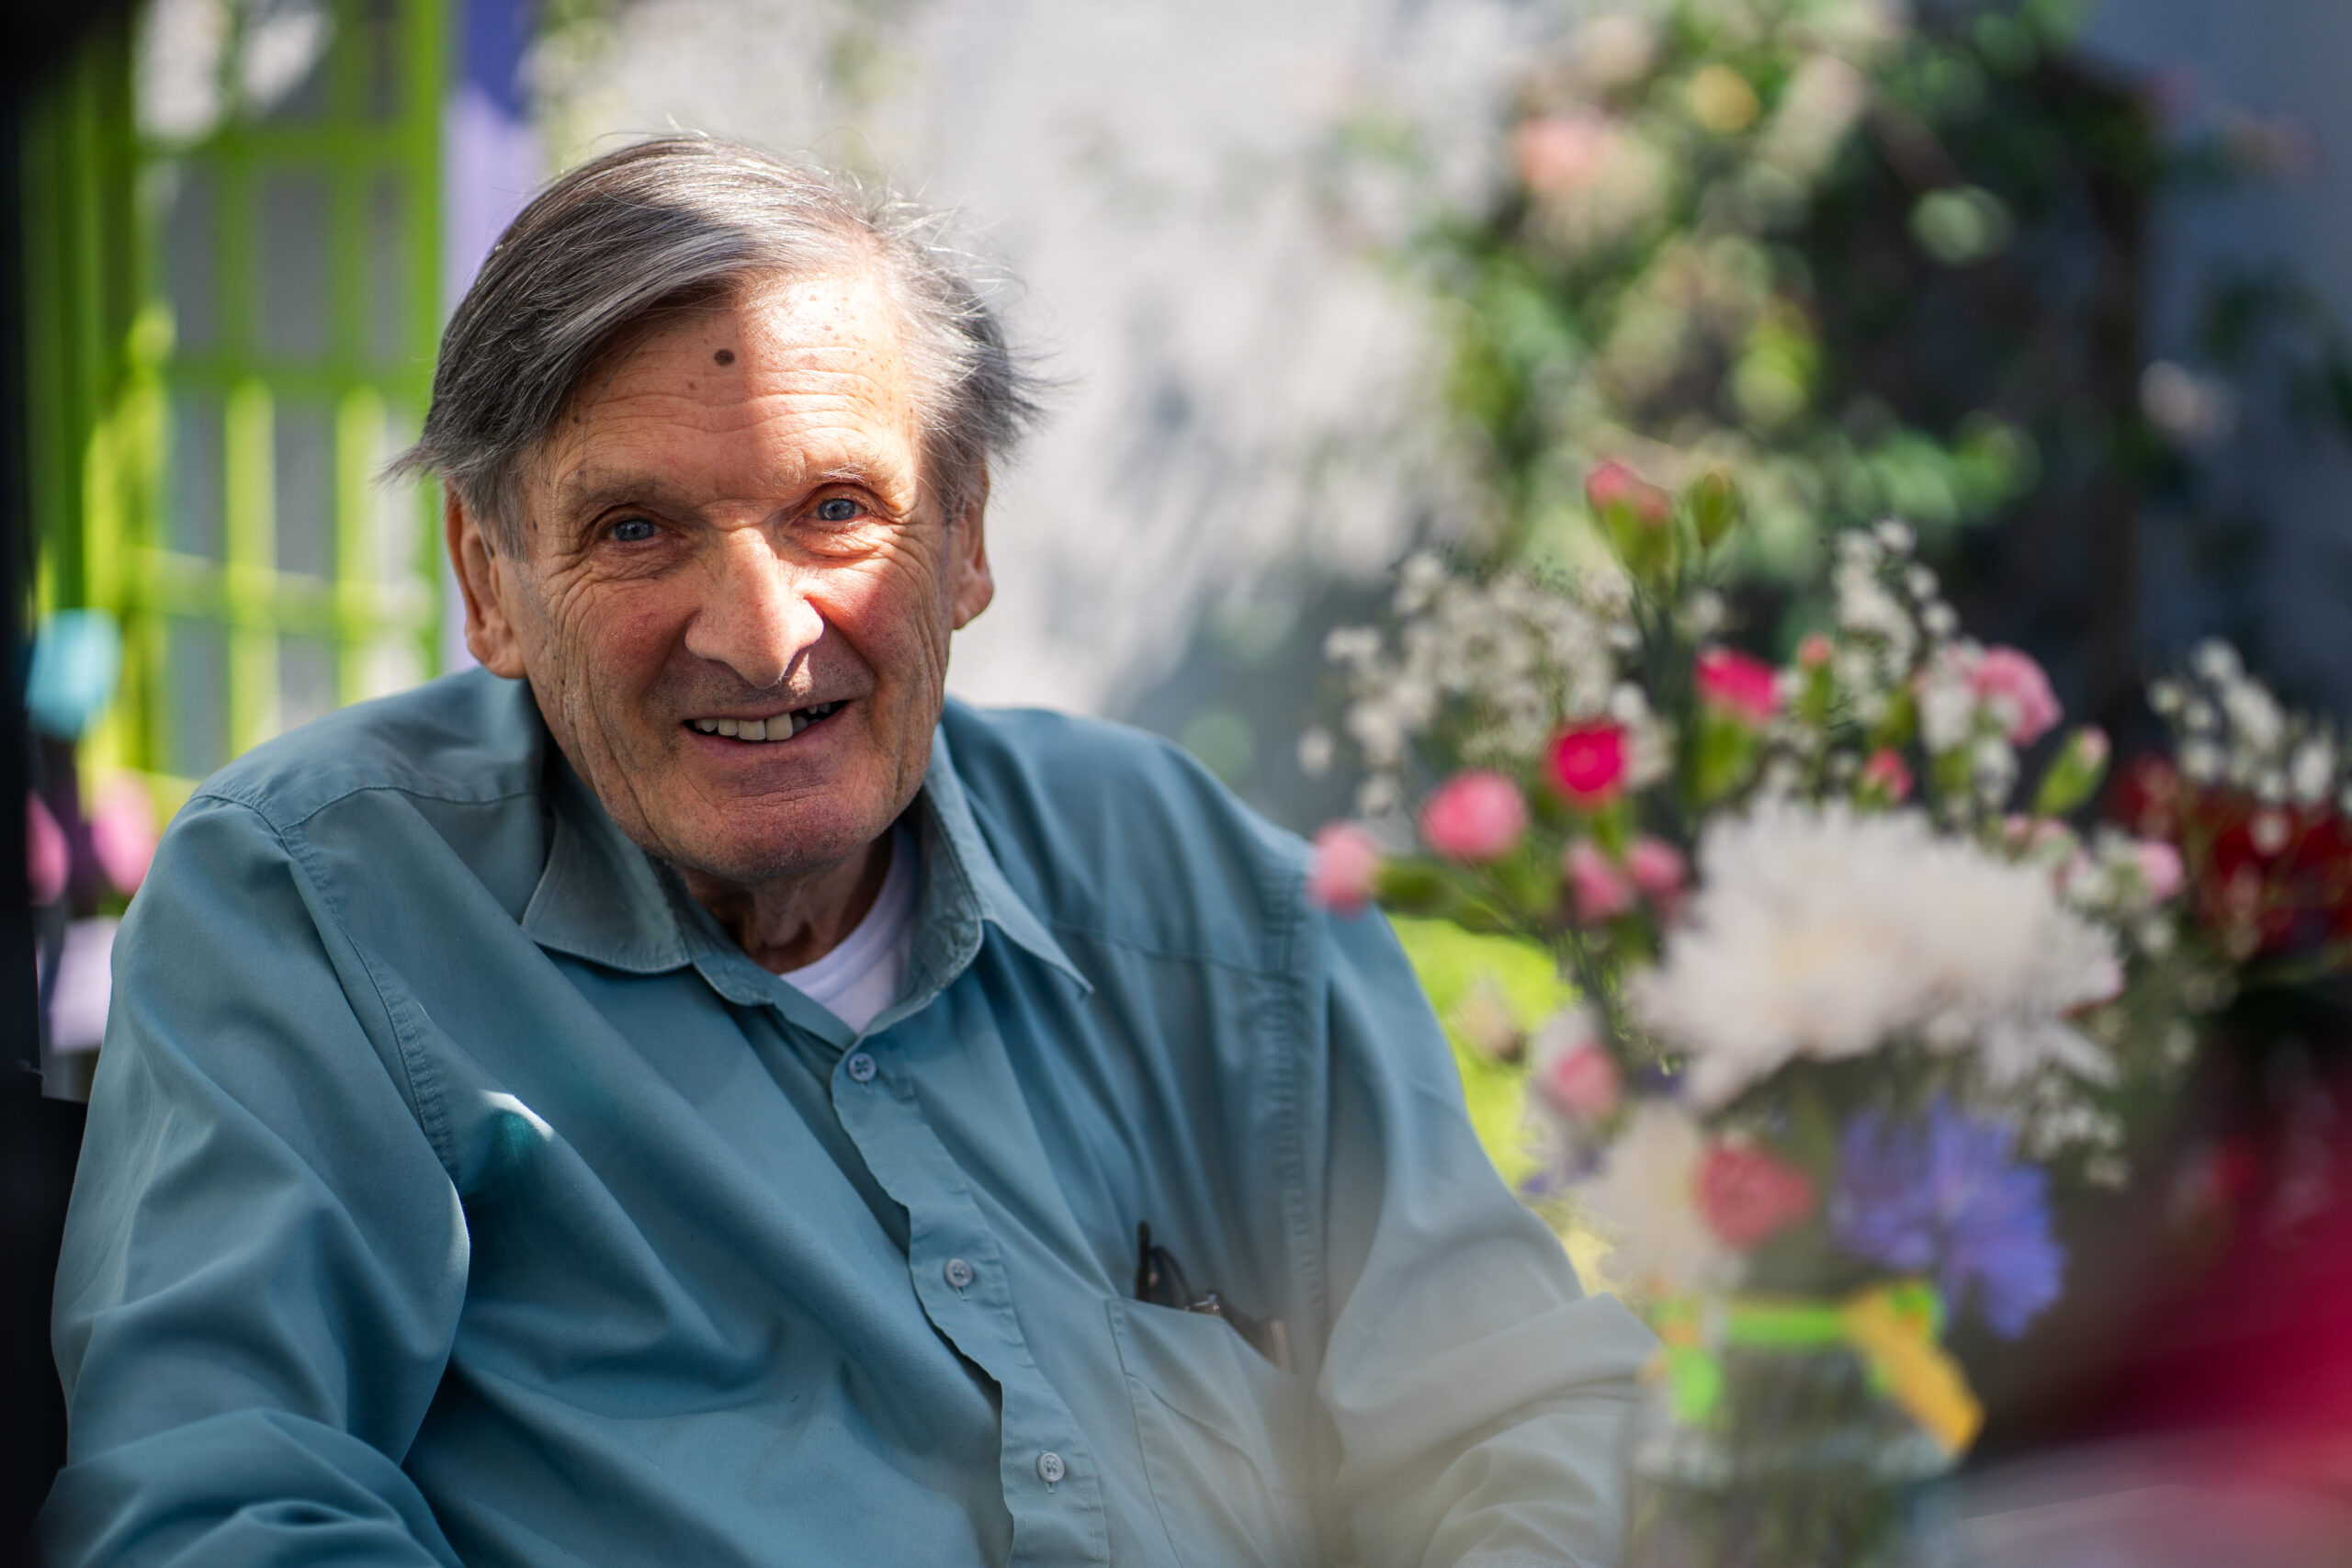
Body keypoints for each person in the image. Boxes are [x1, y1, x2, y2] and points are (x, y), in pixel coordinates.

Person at [39, 137, 1650, 1568]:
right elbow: (220, 1511)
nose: (759, 636)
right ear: (490, 581)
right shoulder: (323, 899)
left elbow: (1504, 1406)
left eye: (833, 509)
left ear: (963, 539)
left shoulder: (1194, 883)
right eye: (635, 530)